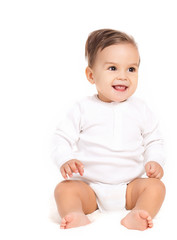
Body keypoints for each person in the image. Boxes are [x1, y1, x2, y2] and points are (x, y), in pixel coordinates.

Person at [51, 29, 166, 231]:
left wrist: (154, 160)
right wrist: (65, 159)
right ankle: (76, 213)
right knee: (63, 190)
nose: (123, 76)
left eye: (131, 69)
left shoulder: (141, 109)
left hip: (130, 187)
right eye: (113, 68)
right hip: (89, 188)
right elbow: (62, 138)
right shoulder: (82, 108)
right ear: (91, 75)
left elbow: (153, 140)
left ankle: (138, 213)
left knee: (156, 187)